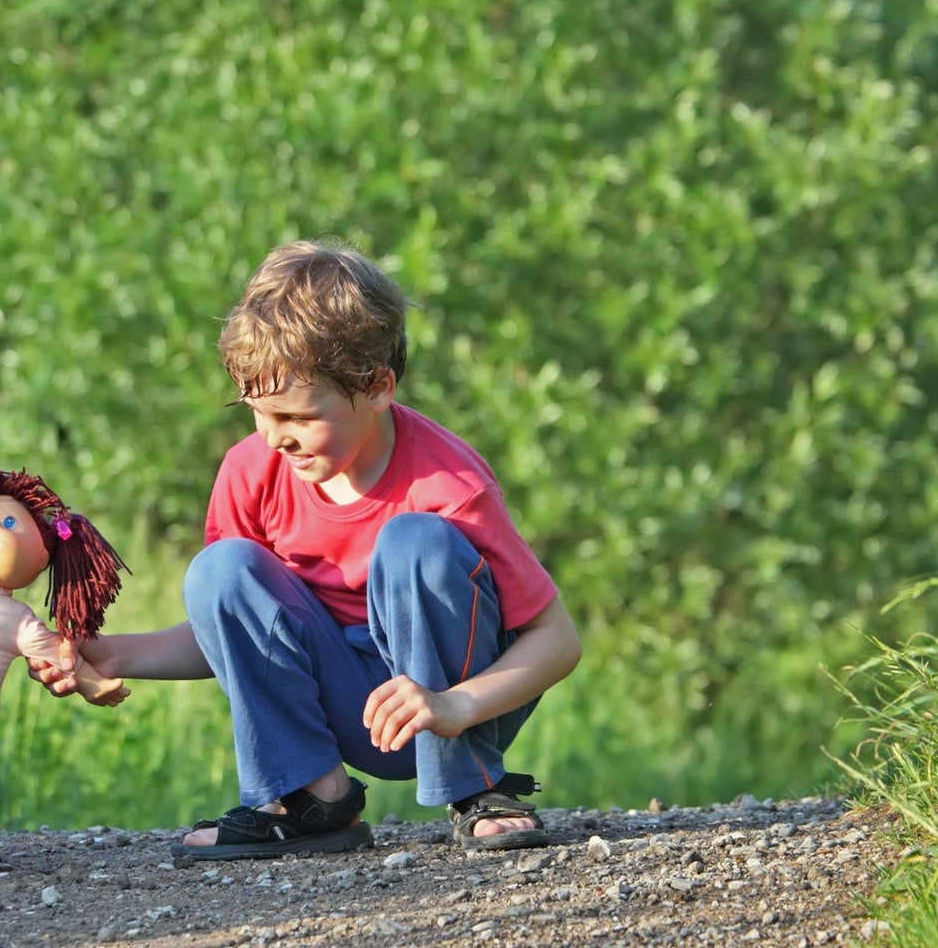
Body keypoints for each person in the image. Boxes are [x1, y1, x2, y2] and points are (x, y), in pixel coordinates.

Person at [34, 239, 581, 859]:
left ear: (376, 387)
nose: (273, 439)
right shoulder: (252, 472)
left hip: (456, 706)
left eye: (296, 416)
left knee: (415, 543)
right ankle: (313, 802)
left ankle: (475, 786)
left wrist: (454, 705)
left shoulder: (449, 484)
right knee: (222, 570)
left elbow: (557, 640)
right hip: (350, 707)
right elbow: (240, 631)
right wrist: (111, 654)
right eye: (258, 414)